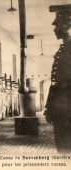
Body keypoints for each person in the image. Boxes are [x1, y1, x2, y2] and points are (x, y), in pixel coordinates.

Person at [44, 4, 71, 153]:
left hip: (68, 107)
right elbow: (56, 83)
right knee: (62, 146)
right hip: (62, 107)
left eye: (59, 25)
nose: (56, 29)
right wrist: (49, 105)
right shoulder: (63, 49)